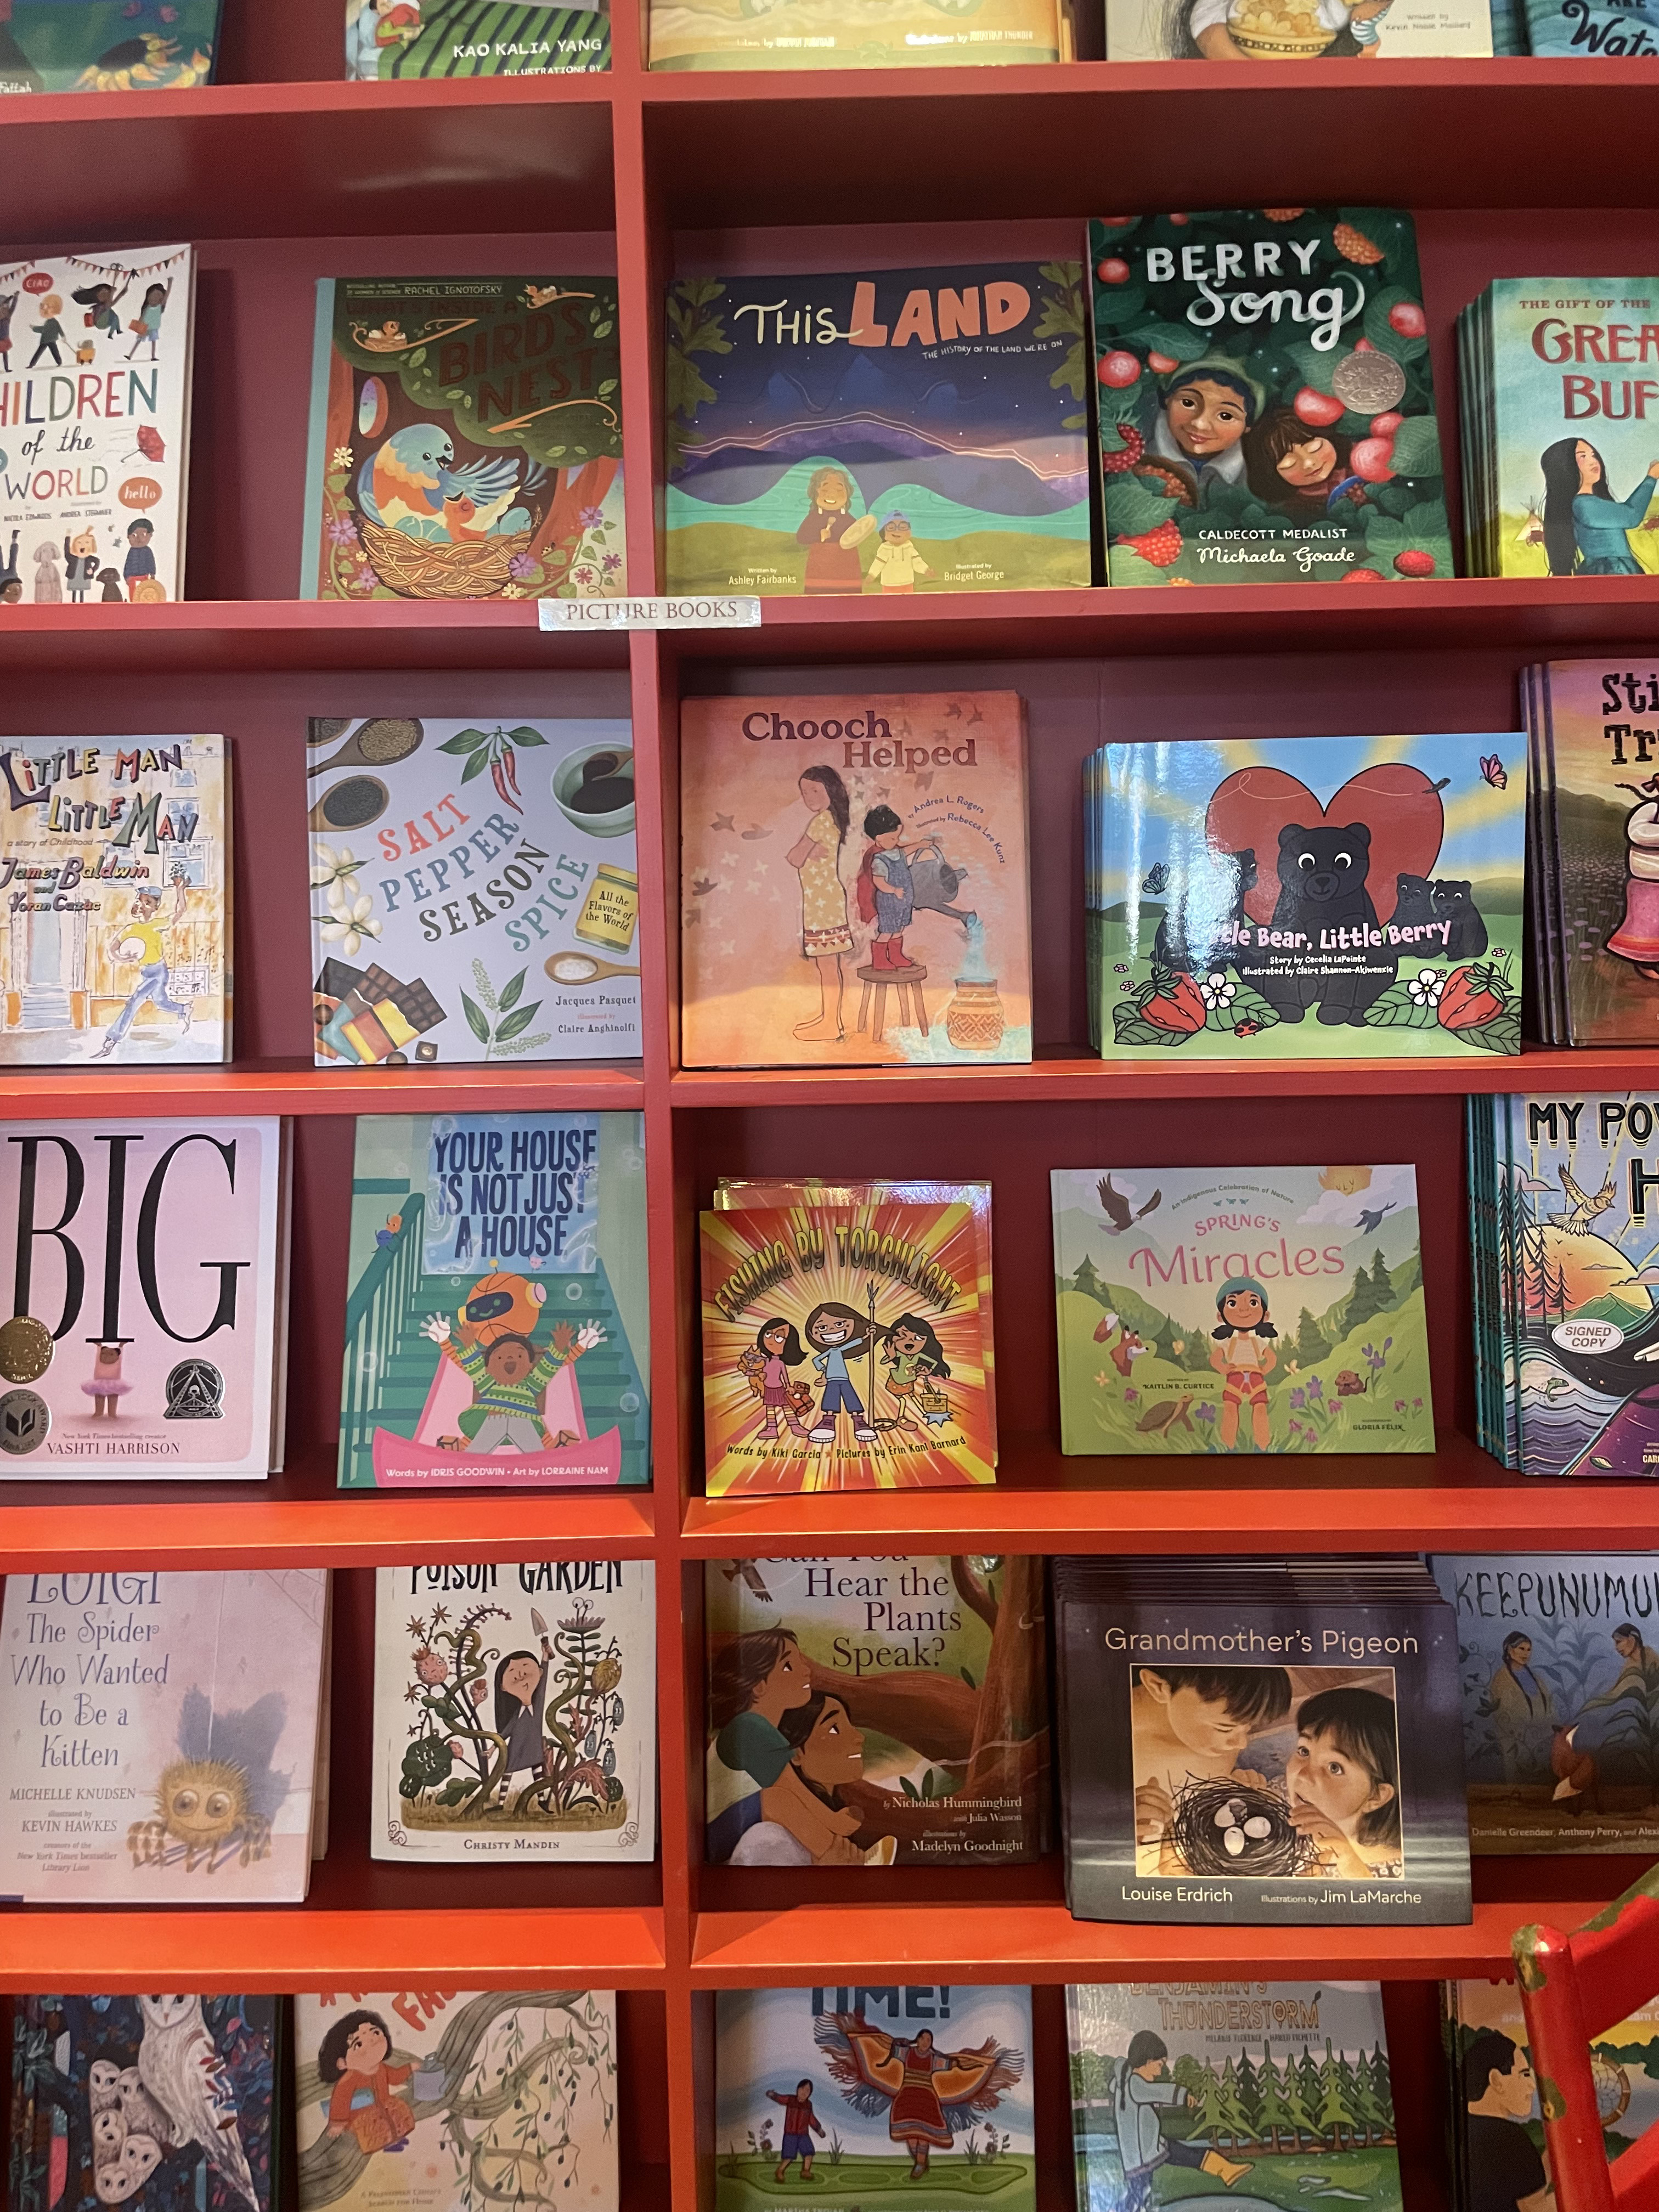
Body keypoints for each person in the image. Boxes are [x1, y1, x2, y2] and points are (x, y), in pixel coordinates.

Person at [1130, 1662, 1291, 1870]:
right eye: (1225, 1728)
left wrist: (1229, 1784)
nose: (1242, 1744)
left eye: (1249, 1726)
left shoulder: (1210, 1723)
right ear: (1158, 1687)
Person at [729, 1688, 895, 1866]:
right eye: (834, 1729)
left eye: (850, 1725)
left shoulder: (816, 1823)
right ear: (797, 1754)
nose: (859, 1737)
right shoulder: (769, 1840)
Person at [421, 1312, 603, 1451]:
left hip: (522, 1420)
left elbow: (549, 1366)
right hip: (494, 1419)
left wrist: (569, 1346)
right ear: (489, 1366)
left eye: (519, 1355)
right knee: (483, 1441)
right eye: (499, 1357)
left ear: (530, 1365)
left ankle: (545, 1456)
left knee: (530, 1441)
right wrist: (450, 1342)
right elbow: (471, 1364)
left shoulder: (531, 1384)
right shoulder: (488, 1383)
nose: (509, 1358)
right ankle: (466, 1456)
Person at [706, 1627, 813, 1861]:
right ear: (759, 1686)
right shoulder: (749, 1726)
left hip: (735, 1827)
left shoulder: (765, 1730)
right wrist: (834, 1825)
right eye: (789, 1666)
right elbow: (795, 1795)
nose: (807, 1671)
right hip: (718, 1831)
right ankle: (836, 1854)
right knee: (778, 1801)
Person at [1113, 2029, 1250, 2212]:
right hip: (1141, 2157)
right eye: (1159, 2064)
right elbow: (1157, 2092)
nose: (1160, 2071)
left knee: (1183, 2156)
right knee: (1138, 2196)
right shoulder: (1135, 2085)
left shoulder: (1126, 2083)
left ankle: (1226, 2170)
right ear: (1147, 2061)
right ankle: (1225, 2170)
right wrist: (1183, 2095)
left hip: (1150, 2148)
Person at [1286, 1684, 1403, 1877]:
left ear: (1376, 1796)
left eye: (1335, 1768)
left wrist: (1350, 1863)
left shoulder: (1395, 1871)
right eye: (1304, 1751)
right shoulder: (1284, 1798)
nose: (1303, 1775)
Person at [785, 764, 855, 1043]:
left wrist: (806, 851)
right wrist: (808, 850)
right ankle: (830, 1018)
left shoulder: (821, 821)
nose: (809, 797)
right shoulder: (830, 820)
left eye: (815, 790)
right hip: (822, 901)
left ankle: (831, 1024)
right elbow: (799, 856)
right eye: (805, 792)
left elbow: (794, 858)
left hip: (823, 904)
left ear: (830, 790)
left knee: (827, 966)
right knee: (827, 965)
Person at [95, 875, 193, 1058]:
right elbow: (112, 950)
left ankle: (111, 1040)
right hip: (146, 973)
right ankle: (184, 1009)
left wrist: (180, 890)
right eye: (140, 901)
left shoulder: (158, 925)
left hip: (159, 972)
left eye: (148, 903)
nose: (142, 905)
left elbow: (180, 910)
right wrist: (122, 958)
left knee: (135, 1000)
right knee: (161, 1003)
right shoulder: (130, 929)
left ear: (156, 907)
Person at [1462, 2030, 1554, 2212]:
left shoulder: (1464, 2129)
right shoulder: (1509, 2137)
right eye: (1524, 2074)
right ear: (1496, 2080)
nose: (1532, 2086)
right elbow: (1531, 2208)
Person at [1540, 438, 1659, 577]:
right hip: (1610, 571)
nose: (1593, 461)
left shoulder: (1588, 502)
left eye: (1593, 455)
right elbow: (1632, 516)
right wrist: (1652, 478)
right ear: (1565, 467)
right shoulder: (1584, 504)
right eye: (1583, 456)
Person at [1150, 360, 1259, 500]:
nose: (1200, 424)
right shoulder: (1138, 451)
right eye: (1188, 403)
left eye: (1225, 416)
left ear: (1247, 427)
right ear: (1167, 399)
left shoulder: (1257, 474)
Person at [319, 2010, 416, 2155]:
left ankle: (396, 2139)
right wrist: (338, 2124)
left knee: (398, 2112)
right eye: (358, 2044)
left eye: (375, 2033)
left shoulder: (381, 2068)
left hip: (385, 2105)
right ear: (342, 2063)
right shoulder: (349, 2080)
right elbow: (340, 2102)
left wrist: (409, 2068)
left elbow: (395, 2077)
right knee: (374, 2127)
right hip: (362, 2117)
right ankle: (388, 2144)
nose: (372, 2041)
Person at [1246, 409, 1365, 517]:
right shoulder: (1294, 509)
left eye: (1314, 448)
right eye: (1290, 463)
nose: (1309, 463)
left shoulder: (1361, 456)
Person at [1209, 1277, 1278, 1451]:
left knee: (1260, 1409)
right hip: (1235, 1377)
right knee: (1230, 1409)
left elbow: (1272, 1358)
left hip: (1255, 1378)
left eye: (1253, 1303)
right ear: (1220, 1316)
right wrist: (1224, 1368)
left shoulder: (1258, 1342)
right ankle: (1227, 1447)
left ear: (1265, 1315)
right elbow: (1215, 1359)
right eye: (1232, 1303)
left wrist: (1264, 1370)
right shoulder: (1228, 1343)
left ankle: (1263, 1446)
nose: (1244, 1309)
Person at [1479, 1631, 1556, 1785]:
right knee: (1520, 1782)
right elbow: (1504, 1713)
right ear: (1509, 1649)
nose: (1526, 1654)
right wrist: (1530, 1729)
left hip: (1543, 1737)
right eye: (1521, 1649)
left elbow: (1549, 1704)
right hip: (1518, 1738)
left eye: (1529, 1650)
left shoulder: (1535, 1678)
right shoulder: (1502, 1679)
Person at [856, 805, 919, 972]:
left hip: (903, 901)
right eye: (893, 838)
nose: (897, 841)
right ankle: (880, 959)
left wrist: (921, 845)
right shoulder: (879, 859)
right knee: (887, 931)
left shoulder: (895, 851)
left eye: (897, 837)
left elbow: (905, 851)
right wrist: (893, 890)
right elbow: (879, 882)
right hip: (889, 903)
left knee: (899, 929)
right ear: (879, 839)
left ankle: (896, 956)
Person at [804, 1300, 875, 1447]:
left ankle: (859, 1422)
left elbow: (854, 1343)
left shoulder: (840, 1349)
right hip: (831, 1380)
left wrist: (867, 1336)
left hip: (844, 1378)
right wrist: (824, 1371)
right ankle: (827, 1422)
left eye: (839, 1324)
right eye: (823, 1327)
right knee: (831, 1399)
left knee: (851, 1398)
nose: (832, 1330)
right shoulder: (829, 1351)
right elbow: (816, 1360)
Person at [492, 1635, 551, 1802]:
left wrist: (545, 1657)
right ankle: (501, 1803)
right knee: (507, 1772)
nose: (521, 1674)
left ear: (539, 1673)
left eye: (526, 1666)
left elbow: (543, 1683)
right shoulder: (516, 1714)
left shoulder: (537, 1705)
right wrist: (492, 1749)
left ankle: (542, 1801)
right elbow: (505, 1732)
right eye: (512, 1672)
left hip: (533, 1747)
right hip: (516, 1747)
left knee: (538, 1772)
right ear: (503, 1688)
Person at [738, 1316, 812, 1442]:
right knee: (770, 1408)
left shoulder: (780, 1363)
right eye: (768, 1334)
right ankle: (772, 1429)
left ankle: (795, 1426)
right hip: (768, 1388)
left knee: (787, 1407)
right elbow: (755, 1372)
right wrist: (750, 1371)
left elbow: (785, 1376)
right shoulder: (764, 1361)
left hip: (779, 1388)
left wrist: (788, 1386)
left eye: (779, 1337)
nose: (771, 1340)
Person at [795, 466, 867, 595]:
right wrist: (819, 535)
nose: (832, 494)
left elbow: (858, 533)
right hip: (820, 568)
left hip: (847, 567)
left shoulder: (848, 519)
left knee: (849, 598)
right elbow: (801, 537)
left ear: (847, 493)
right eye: (825, 488)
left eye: (839, 489)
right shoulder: (814, 518)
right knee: (819, 598)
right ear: (815, 492)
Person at [878, 1313, 949, 1434]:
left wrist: (929, 1370)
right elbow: (883, 1361)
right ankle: (901, 1419)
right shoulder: (900, 1355)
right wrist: (891, 1357)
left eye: (918, 1338)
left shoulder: (918, 1355)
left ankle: (923, 1413)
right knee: (903, 1400)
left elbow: (933, 1362)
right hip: (896, 1382)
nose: (910, 1341)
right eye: (902, 1336)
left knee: (912, 1396)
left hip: (909, 1381)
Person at [768, 2080, 826, 2182]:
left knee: (809, 2152)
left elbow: (811, 2119)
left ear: (810, 2094)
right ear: (798, 2089)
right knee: (789, 2156)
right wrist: (773, 2095)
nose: (804, 2092)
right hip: (791, 2134)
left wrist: (819, 2129)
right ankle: (780, 2171)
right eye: (802, 2089)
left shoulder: (808, 2105)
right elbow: (781, 2099)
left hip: (803, 2134)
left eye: (807, 2091)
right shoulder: (790, 2099)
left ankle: (806, 2171)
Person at [867, 512, 932, 594]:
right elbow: (878, 564)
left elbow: (917, 562)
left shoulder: (909, 548)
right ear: (884, 532)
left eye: (903, 527)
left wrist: (926, 570)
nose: (897, 531)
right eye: (891, 527)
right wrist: (872, 575)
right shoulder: (885, 550)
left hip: (907, 584)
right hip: (889, 585)